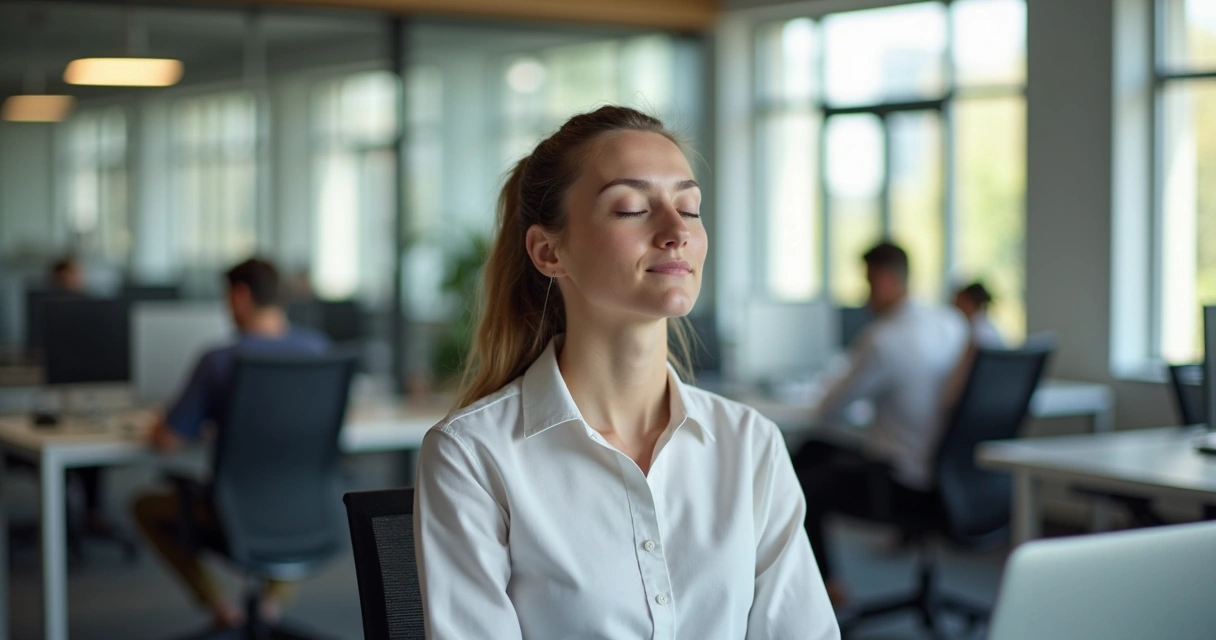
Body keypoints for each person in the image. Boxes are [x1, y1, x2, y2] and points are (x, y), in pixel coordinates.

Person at [413, 106, 838, 639]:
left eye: (690, 207)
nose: (676, 230)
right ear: (549, 251)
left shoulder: (750, 444)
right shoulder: (473, 455)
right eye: (633, 208)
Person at [131, 258, 330, 630]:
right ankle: (271, 605)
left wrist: (162, 420)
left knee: (143, 506)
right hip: (306, 508)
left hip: (234, 513)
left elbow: (167, 441)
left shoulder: (220, 361)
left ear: (240, 296)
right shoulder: (319, 350)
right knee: (283, 499)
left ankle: (221, 608)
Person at [792, 242, 968, 607]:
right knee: (811, 450)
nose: (865, 296)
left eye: (868, 284)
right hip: (953, 477)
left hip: (901, 483)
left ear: (885, 281)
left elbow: (829, 410)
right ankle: (823, 580)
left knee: (799, 481)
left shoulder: (884, 339)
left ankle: (826, 583)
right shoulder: (950, 323)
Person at [953, 281, 1004, 348]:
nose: (954, 305)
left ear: (969, 303)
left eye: (958, 301)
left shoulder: (984, 331)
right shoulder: (965, 325)